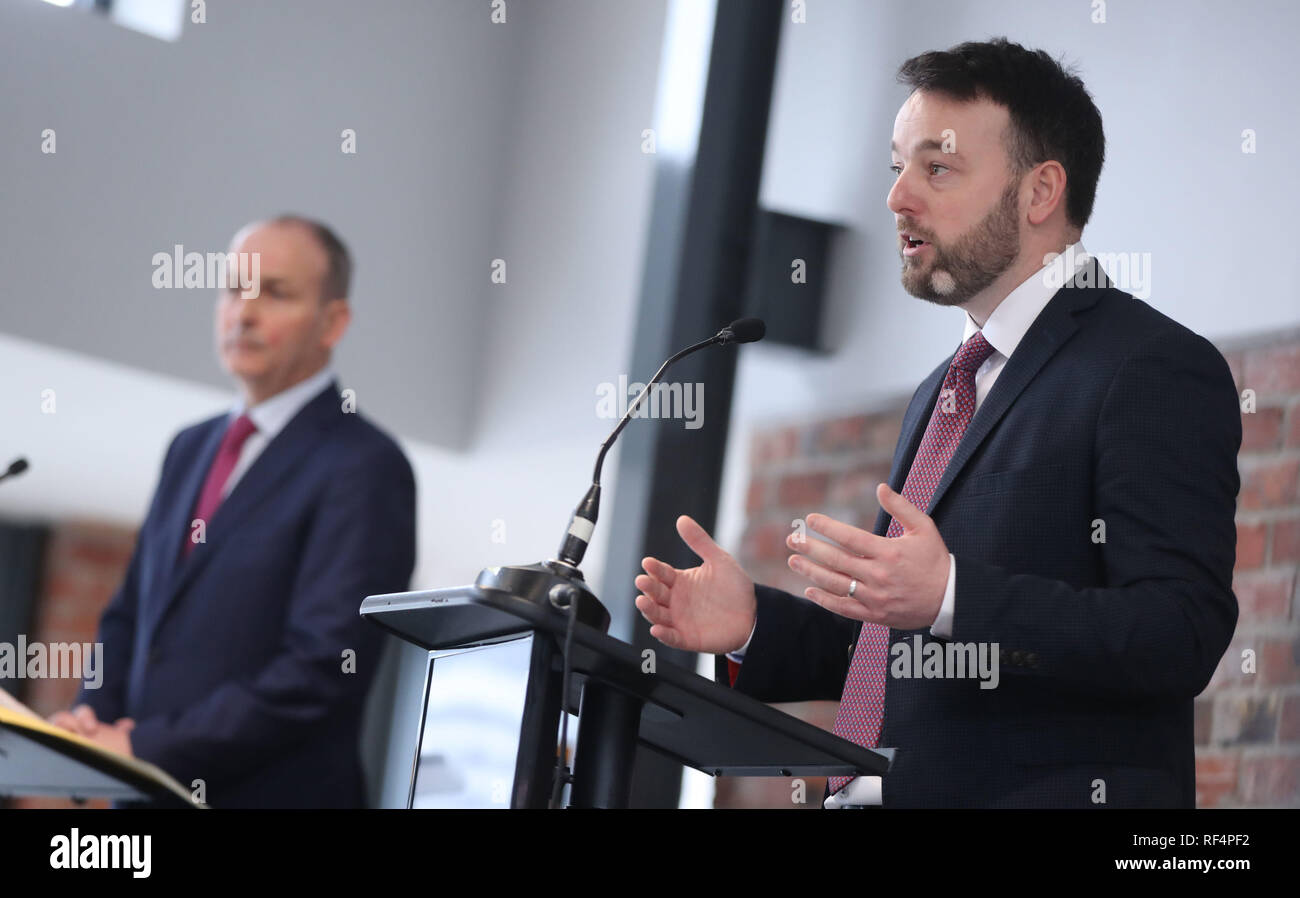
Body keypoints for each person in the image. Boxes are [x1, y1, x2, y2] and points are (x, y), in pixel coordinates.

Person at [634, 39, 1239, 808]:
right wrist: (758, 624)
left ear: (1039, 191)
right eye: (897, 167)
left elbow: (1177, 631)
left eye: (937, 167)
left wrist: (954, 593)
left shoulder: (1149, 367)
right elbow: (905, 654)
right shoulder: (944, 388)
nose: (898, 199)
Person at [49, 216, 417, 808]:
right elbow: (130, 615)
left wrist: (145, 746)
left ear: (333, 322)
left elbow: (321, 669)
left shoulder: (365, 465)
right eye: (233, 288)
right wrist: (93, 723)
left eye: (275, 293)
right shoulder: (189, 447)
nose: (243, 312)